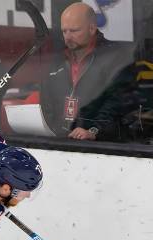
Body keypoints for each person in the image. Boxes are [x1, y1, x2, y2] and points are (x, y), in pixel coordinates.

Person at [40, 2, 135, 141]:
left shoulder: (116, 57)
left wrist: (93, 130)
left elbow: (117, 103)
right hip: (62, 142)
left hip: (102, 146)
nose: (68, 36)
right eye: (64, 31)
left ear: (92, 28)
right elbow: (47, 102)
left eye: (74, 30)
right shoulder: (57, 60)